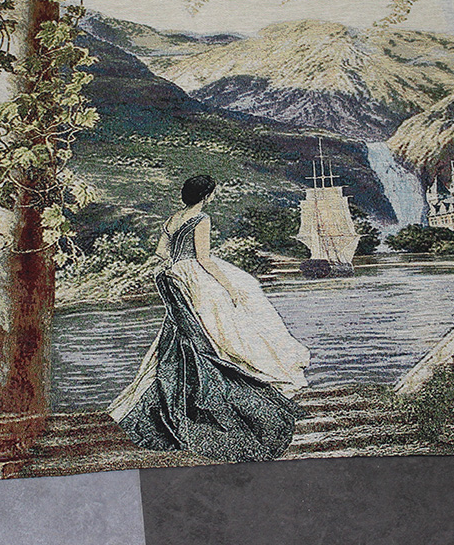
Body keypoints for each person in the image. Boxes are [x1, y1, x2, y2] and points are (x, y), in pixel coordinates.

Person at [108, 174, 310, 461]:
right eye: (212, 192)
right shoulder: (201, 219)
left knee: (189, 330)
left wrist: (175, 266)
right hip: (193, 277)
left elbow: (160, 251)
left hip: (170, 276)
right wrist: (228, 286)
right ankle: (238, 372)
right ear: (206, 195)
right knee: (231, 310)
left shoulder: (174, 218)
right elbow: (204, 259)